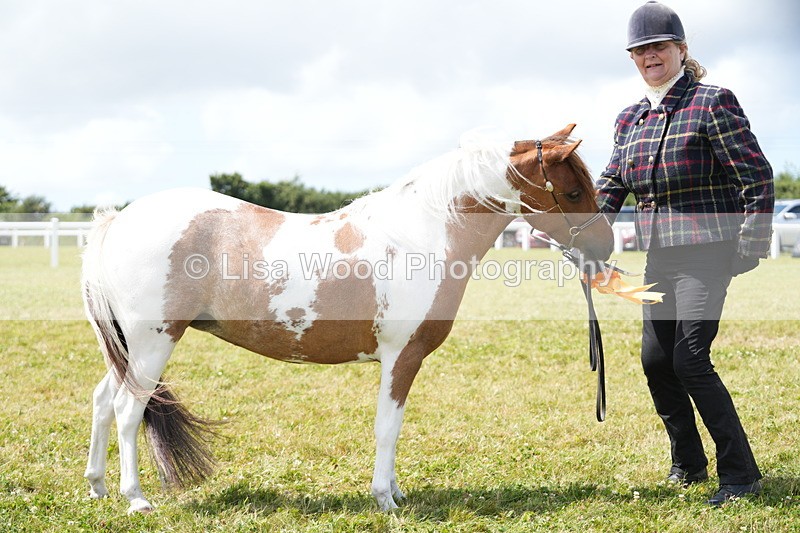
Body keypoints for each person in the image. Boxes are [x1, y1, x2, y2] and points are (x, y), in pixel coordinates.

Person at [595, 1, 774, 506]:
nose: (649, 56)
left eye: (658, 47)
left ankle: (740, 474)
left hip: (707, 252)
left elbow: (756, 176)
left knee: (690, 360)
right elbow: (613, 183)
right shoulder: (630, 118)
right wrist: (582, 233)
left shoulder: (712, 102)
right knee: (656, 361)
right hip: (660, 256)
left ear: (680, 50)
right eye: (640, 50)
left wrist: (749, 246)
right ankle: (688, 463)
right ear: (633, 58)